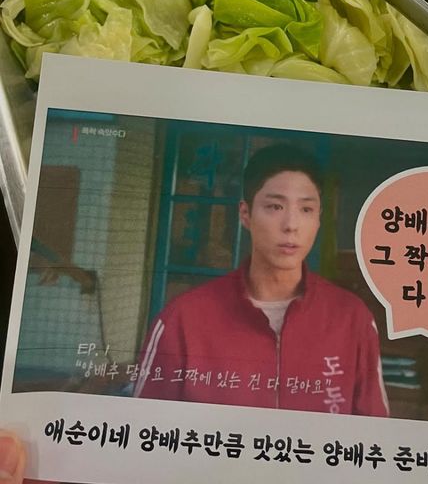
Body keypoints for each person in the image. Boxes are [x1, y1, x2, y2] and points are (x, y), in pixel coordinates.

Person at [135, 143, 389, 417]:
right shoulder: (181, 321)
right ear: (245, 214)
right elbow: (143, 430)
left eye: (306, 209)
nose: (291, 225)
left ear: (318, 219)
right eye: (275, 206)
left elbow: (374, 431)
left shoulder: (352, 318)